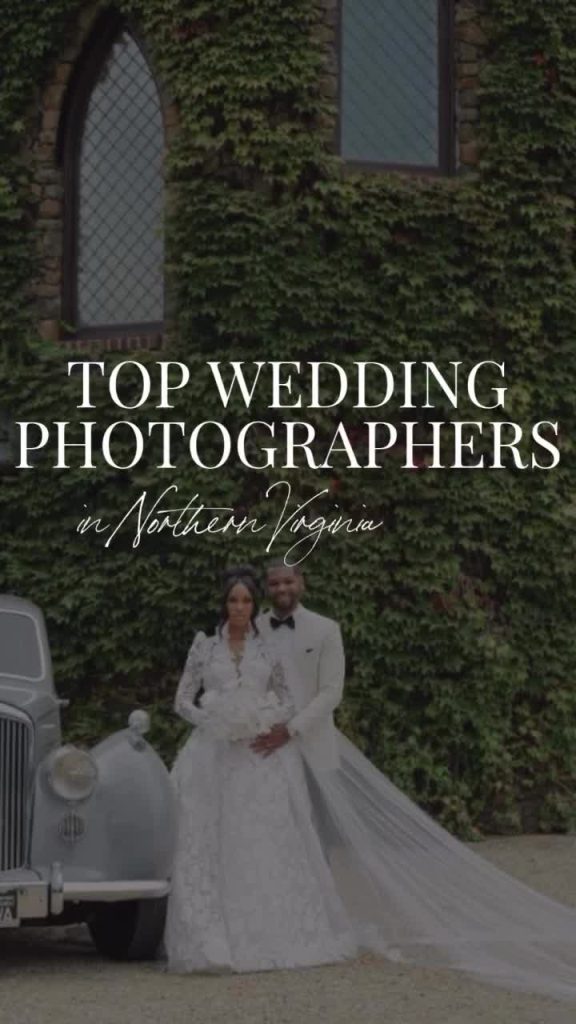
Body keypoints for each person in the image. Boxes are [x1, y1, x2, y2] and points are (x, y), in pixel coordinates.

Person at [165, 563, 576, 1003]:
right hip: (233, 753)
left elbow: (326, 693)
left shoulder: (324, 629)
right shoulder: (233, 637)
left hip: (290, 743)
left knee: (298, 841)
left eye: (281, 584)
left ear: (300, 585)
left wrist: (281, 725)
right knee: (232, 840)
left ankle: (300, 921)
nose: (248, 603)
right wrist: (221, 721)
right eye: (241, 597)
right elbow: (190, 697)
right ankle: (225, 931)